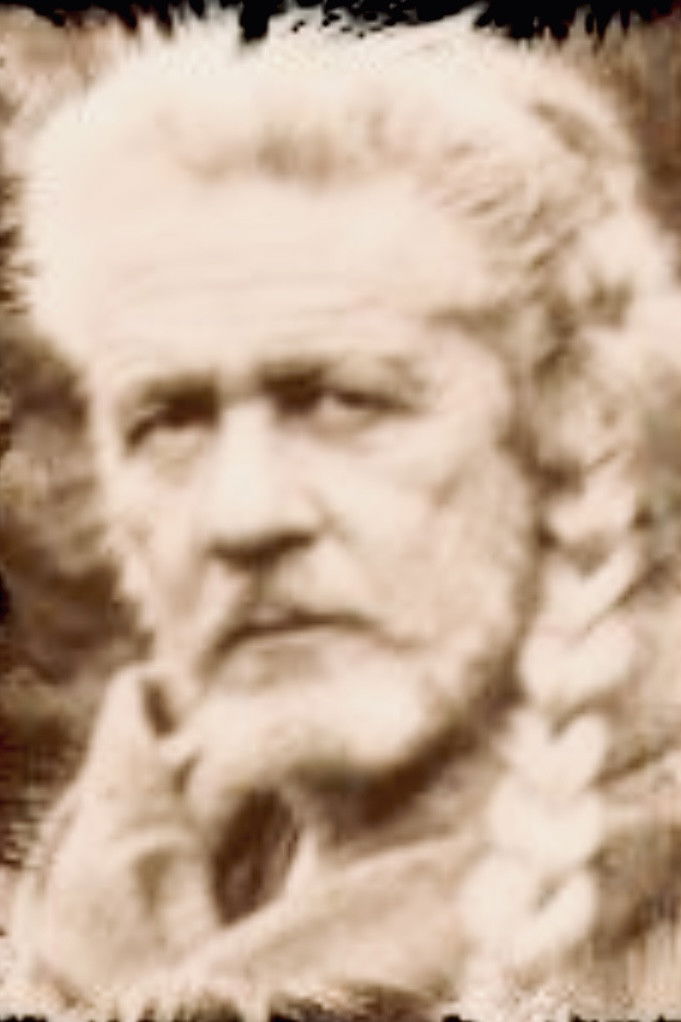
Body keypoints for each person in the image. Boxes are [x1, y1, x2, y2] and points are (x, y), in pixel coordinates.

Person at [4, 11, 681, 1020]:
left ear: (574, 424)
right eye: (168, 419)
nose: (242, 516)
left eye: (344, 401)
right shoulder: (88, 904)